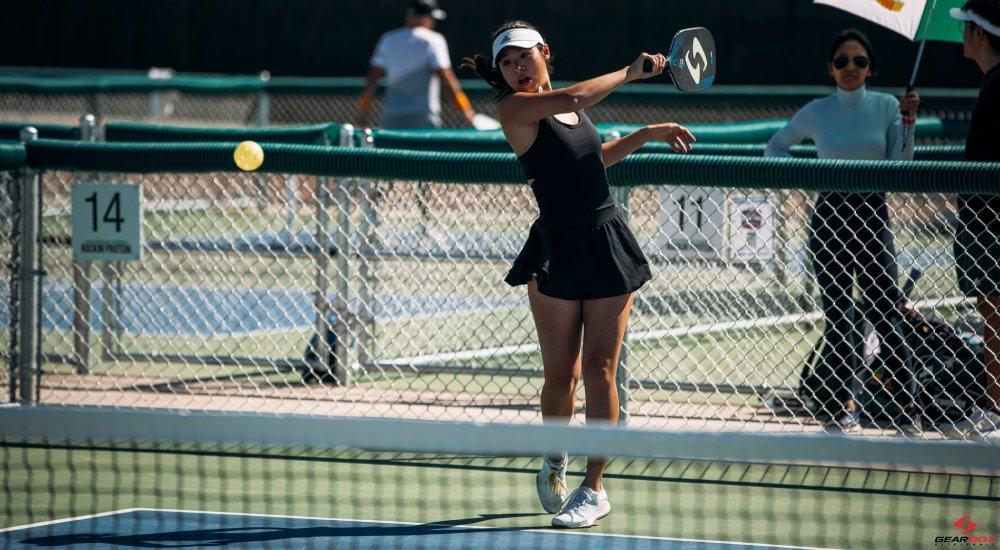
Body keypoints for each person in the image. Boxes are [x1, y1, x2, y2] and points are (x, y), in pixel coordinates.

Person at [465, 21, 695, 528]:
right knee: (561, 376)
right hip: (557, 247)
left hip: (607, 241)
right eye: (507, 62)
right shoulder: (515, 109)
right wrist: (632, 72)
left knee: (600, 370)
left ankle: (594, 489)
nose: (517, 69)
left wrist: (645, 134)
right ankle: (555, 454)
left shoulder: (566, 106)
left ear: (545, 52)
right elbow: (577, 94)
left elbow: (590, 160)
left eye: (524, 57)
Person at [764, 29, 921, 435]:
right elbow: (775, 148)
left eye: (860, 61)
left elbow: (900, 164)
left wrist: (909, 121)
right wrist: (808, 177)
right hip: (829, 218)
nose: (851, 68)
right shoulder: (817, 110)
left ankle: (908, 407)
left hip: (872, 218)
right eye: (842, 61)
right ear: (830, 68)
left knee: (886, 313)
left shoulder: (888, 106)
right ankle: (841, 407)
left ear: (870, 68)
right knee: (839, 318)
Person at [950, 0, 1000, 440]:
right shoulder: (993, 84)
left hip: (991, 226)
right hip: (983, 225)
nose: (962, 35)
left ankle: (997, 412)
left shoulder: (999, 86)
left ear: (979, 35)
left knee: (997, 319)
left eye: (966, 27)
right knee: (992, 318)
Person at [355, 0, 475, 129]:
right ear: (424, 17)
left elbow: (371, 81)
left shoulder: (388, 39)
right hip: (424, 116)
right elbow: (447, 80)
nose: (433, 23)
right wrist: (466, 110)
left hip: (392, 116)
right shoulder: (434, 40)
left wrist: (363, 111)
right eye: (432, 18)